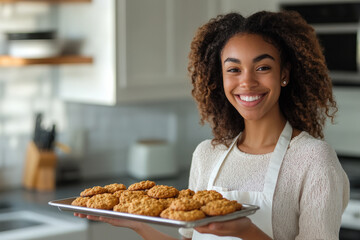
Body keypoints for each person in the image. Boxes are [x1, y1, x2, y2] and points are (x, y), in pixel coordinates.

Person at [75, 10, 350, 240]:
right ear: (220, 78)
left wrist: (247, 231)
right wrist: (136, 222)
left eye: (262, 67)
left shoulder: (313, 159)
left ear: (284, 74)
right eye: (233, 69)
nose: (247, 82)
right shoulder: (207, 155)